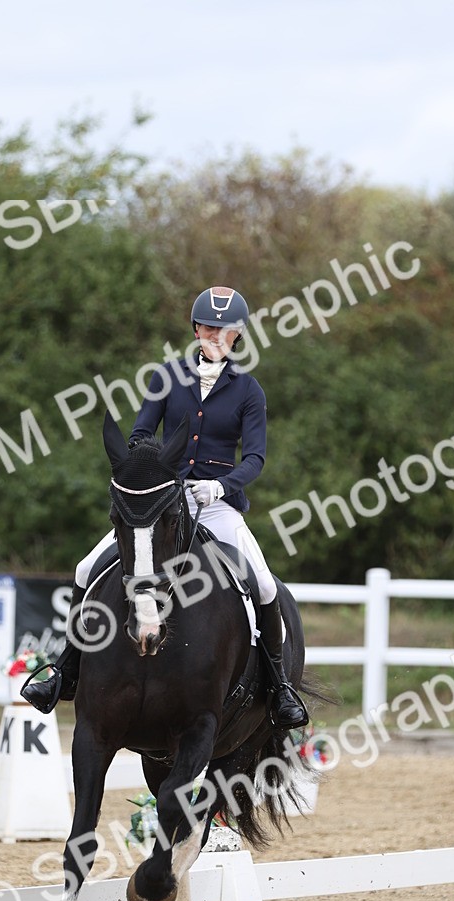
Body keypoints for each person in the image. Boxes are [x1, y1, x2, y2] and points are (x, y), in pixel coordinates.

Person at [22, 285, 308, 730]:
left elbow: (254, 458)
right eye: (208, 326)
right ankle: (65, 671)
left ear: (237, 336)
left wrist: (220, 486)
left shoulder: (248, 390)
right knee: (84, 570)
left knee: (266, 586)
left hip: (215, 505)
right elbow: (139, 434)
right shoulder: (166, 376)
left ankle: (280, 687)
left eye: (225, 330)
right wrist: (152, 472)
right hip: (162, 502)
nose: (215, 335)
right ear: (196, 329)